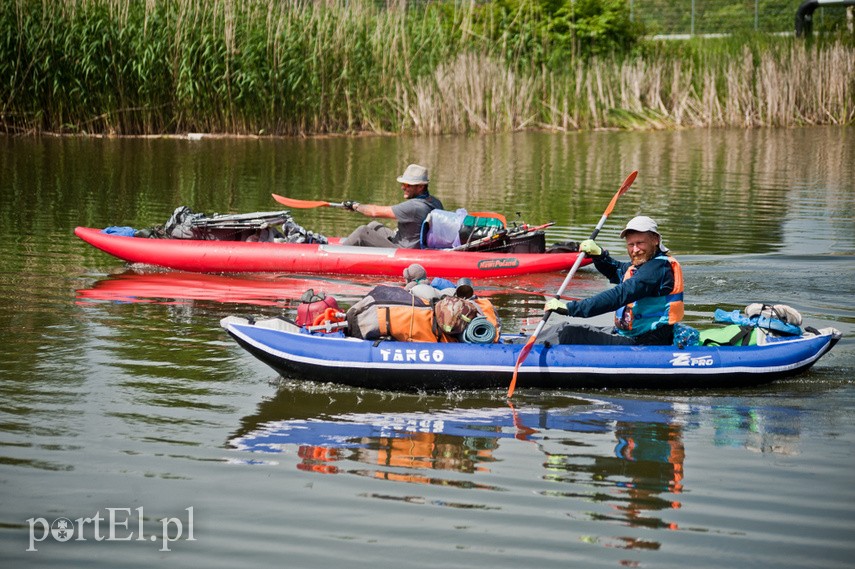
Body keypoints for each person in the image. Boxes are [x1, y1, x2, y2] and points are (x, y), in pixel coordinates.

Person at [543, 216, 684, 345]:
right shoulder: (642, 266)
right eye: (631, 244)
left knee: (570, 334)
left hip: (647, 342)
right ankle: (525, 342)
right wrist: (599, 256)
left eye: (640, 243)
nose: (635, 250)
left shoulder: (658, 268)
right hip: (631, 335)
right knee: (564, 328)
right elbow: (618, 270)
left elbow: (620, 295)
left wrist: (571, 308)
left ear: (655, 240)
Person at [340, 164, 444, 248]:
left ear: (421, 186)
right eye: (403, 184)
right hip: (413, 243)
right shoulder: (435, 201)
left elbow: (374, 212)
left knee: (362, 232)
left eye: (408, 185)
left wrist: (355, 206)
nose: (403, 187)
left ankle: (335, 254)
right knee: (374, 226)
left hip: (403, 250)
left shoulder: (414, 207)